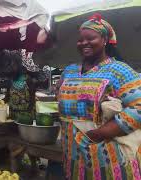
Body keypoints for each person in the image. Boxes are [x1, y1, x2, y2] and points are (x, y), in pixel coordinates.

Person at [57, 14, 141, 179]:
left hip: (109, 156)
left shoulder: (119, 70)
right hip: (72, 155)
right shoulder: (70, 71)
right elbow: (60, 97)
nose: (84, 43)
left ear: (104, 40)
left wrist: (99, 134)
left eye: (90, 38)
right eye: (80, 40)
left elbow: (138, 107)